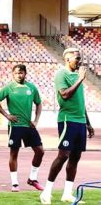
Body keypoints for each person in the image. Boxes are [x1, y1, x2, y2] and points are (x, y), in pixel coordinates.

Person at [40, 48, 95, 204]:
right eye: (77, 58)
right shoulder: (61, 74)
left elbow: (80, 101)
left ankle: (67, 194)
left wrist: (88, 123)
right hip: (67, 120)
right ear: (67, 59)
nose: (79, 61)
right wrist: (80, 79)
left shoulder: (77, 76)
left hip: (80, 121)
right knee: (63, 155)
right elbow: (64, 94)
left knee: (75, 158)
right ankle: (46, 192)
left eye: (80, 58)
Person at [0, 64, 44, 192]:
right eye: (16, 73)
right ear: (12, 74)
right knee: (14, 153)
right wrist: (6, 115)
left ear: (25, 73)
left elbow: (39, 104)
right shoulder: (9, 87)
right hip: (15, 126)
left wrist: (36, 120)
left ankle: (32, 178)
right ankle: (15, 183)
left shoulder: (31, 88)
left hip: (29, 125)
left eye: (21, 73)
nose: (18, 75)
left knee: (40, 151)